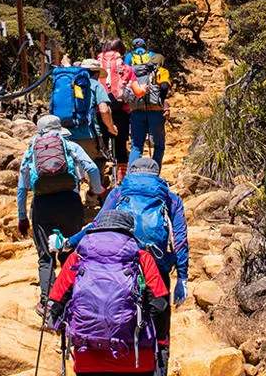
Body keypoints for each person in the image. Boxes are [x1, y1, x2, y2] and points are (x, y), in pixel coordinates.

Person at [93, 157, 189, 373]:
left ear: (132, 174)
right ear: (157, 175)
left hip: (120, 267)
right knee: (160, 327)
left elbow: (98, 224)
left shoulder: (118, 193)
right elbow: (181, 239)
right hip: (158, 269)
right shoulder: (170, 198)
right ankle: (159, 364)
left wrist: (71, 242)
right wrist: (182, 277)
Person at [47, 209, 169, 376]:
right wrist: (160, 341)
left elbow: (55, 303)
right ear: (129, 232)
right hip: (137, 360)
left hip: (88, 361)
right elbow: (160, 306)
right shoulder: (142, 258)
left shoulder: (78, 258)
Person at [17, 115, 105, 299]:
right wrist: (96, 190)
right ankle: (71, 297)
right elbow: (92, 168)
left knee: (46, 257)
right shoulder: (69, 146)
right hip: (70, 203)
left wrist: (23, 217)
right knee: (70, 251)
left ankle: (48, 302)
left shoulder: (31, 151)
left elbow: (22, 188)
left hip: (42, 204)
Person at [72, 59, 120, 186]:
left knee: (72, 165)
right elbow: (104, 110)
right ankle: (93, 194)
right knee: (98, 159)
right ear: (97, 73)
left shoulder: (70, 84)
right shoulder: (95, 85)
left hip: (69, 135)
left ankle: (74, 196)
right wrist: (111, 127)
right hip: (89, 134)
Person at [95, 40, 137, 180]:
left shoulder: (95, 70)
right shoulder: (126, 68)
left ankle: (100, 180)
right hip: (121, 110)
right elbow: (135, 91)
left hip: (100, 110)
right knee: (121, 144)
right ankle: (121, 178)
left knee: (101, 145)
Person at [128, 53, 171, 163]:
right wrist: (161, 100)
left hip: (136, 110)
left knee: (136, 146)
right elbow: (165, 86)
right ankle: (154, 174)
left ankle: (132, 175)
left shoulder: (138, 72)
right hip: (155, 111)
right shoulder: (162, 71)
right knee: (159, 145)